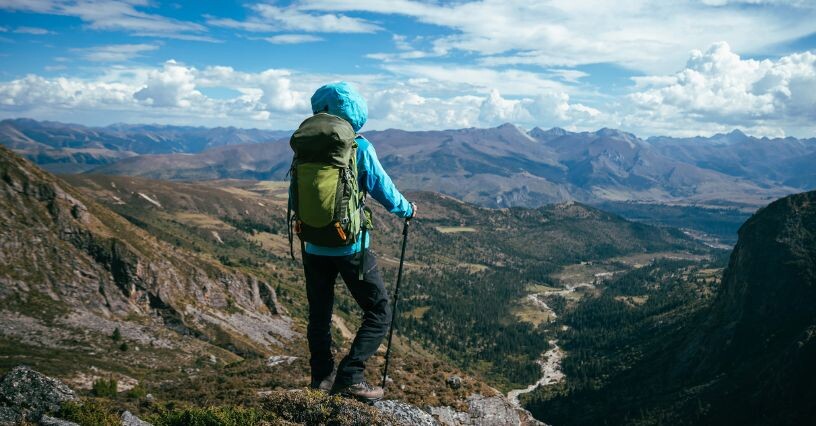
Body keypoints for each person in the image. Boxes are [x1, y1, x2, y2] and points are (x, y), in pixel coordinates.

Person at [299, 82, 415, 402]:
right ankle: (351, 375)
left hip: (312, 243)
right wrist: (407, 209)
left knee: (319, 314)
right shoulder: (358, 147)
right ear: (355, 112)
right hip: (351, 246)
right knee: (379, 311)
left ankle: (321, 377)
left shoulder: (307, 146)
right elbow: (382, 187)